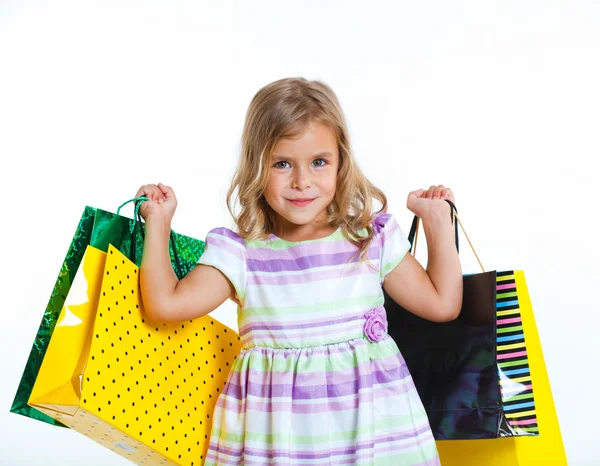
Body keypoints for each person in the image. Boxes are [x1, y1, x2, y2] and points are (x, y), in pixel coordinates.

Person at [135, 77, 462, 465]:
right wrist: (158, 224)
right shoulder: (241, 254)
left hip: (373, 436)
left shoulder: (366, 241)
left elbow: (443, 304)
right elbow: (164, 306)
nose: (302, 181)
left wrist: (436, 223)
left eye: (318, 162)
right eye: (282, 163)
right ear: (257, 165)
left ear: (341, 162)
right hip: (279, 445)